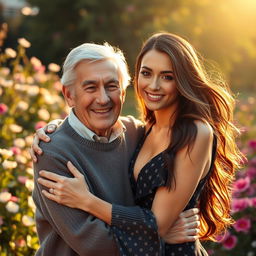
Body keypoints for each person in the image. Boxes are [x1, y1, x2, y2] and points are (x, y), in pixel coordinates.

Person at [33, 32, 242, 255]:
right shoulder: (52, 151)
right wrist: (161, 237)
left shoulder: (135, 133)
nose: (103, 99)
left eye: (112, 86)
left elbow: (157, 222)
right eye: (91, 87)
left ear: (123, 92)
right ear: (69, 95)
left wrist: (88, 201)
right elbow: (95, 245)